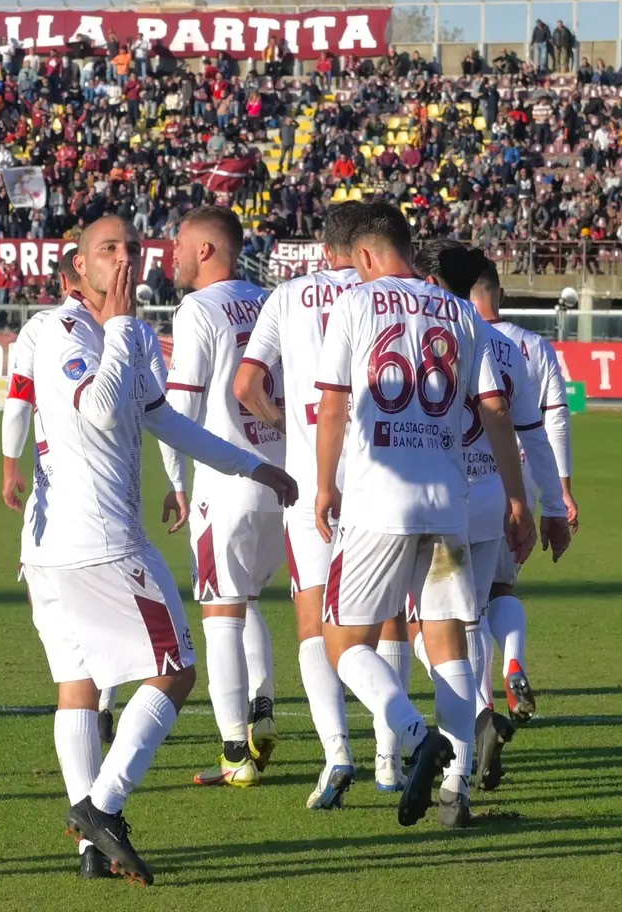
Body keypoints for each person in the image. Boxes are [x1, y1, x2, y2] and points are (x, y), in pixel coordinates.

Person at [20, 215, 296, 884]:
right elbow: (104, 409)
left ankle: (90, 851)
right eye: (107, 250)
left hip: (62, 548)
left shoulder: (126, 333)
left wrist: (252, 466)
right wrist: (118, 324)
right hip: (99, 542)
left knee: (80, 689)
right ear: (79, 268)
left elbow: (164, 419)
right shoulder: (64, 332)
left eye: (132, 249)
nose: (125, 260)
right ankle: (103, 807)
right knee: (174, 670)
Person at [311, 202, 536, 830]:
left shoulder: (354, 304)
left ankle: (415, 736)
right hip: (449, 498)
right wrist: (517, 497)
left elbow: (333, 407)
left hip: (379, 497)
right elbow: (494, 411)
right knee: (449, 640)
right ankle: (457, 785)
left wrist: (325, 484)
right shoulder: (461, 311)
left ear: (363, 257)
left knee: (342, 642)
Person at [0, 250, 187, 747]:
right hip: (90, 515)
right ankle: (101, 797)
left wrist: (8, 463)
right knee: (163, 662)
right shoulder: (69, 330)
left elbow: (20, 400)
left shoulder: (42, 328)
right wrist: (177, 481)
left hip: (62, 512)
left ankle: (90, 801)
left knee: (76, 674)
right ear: (77, 273)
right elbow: (153, 419)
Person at [413, 241, 571, 791]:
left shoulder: (429, 335)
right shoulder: (509, 349)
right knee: (475, 614)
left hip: (439, 500)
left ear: (434, 281)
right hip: (495, 497)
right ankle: (479, 715)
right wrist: (546, 505)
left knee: (424, 625)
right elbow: (534, 434)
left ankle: (463, 736)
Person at [233, 201, 371, 808]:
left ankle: (337, 753)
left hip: (309, 472)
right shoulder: (383, 292)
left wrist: (286, 422)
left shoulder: (287, 296)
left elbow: (246, 385)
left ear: (323, 250)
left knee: (313, 621)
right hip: (376, 468)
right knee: (385, 615)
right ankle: (393, 755)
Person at [160, 206, 284, 788]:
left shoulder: (197, 309)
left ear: (207, 249)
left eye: (180, 244)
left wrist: (176, 483)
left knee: (220, 612)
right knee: (251, 601)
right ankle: (263, 717)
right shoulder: (271, 301)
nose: (173, 255)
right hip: (278, 477)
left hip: (225, 480)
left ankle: (235, 753)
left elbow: (179, 408)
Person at [475, 256, 580, 740]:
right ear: (502, 295)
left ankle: (479, 712)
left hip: (466, 477)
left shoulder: (452, 333)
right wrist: (560, 493)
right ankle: (513, 659)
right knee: (501, 591)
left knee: (450, 608)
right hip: (520, 480)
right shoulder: (535, 346)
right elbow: (552, 421)